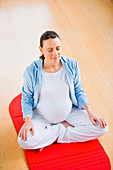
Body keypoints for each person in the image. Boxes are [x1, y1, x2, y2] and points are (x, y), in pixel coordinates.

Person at [18, 30, 108, 151]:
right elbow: (27, 98)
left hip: (69, 113)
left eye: (58, 48)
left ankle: (52, 137)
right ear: (41, 50)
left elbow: (78, 90)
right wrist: (28, 121)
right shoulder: (31, 71)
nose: (55, 53)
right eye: (50, 50)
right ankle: (61, 129)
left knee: (102, 128)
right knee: (24, 142)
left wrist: (90, 112)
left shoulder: (72, 64)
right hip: (42, 117)